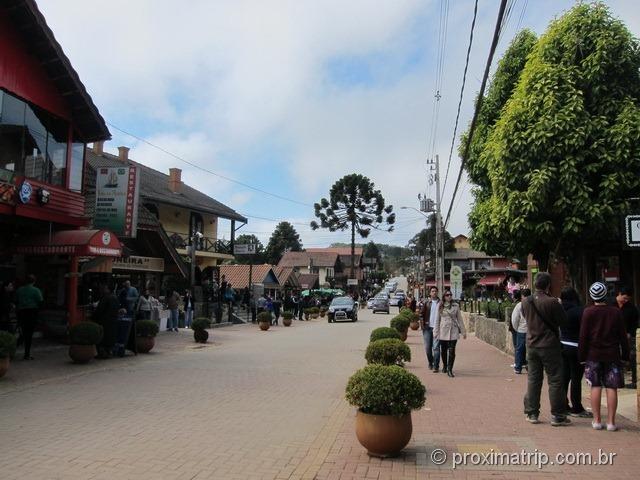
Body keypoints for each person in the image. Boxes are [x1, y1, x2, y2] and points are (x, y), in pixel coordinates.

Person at [579, 282, 630, 431]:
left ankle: (596, 420)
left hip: (593, 354)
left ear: (591, 295)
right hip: (612, 354)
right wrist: (625, 355)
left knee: (595, 386)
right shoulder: (615, 312)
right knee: (611, 387)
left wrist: (582, 356)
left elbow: (583, 337)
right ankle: (611, 422)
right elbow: (623, 336)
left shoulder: (588, 312)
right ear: (605, 294)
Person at [521, 272, 569, 426]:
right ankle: (557, 415)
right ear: (548, 285)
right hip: (549, 346)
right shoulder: (552, 302)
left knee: (534, 379)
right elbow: (563, 321)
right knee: (555, 379)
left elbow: (526, 318)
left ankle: (532, 413)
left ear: (535, 284)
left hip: (532, 345)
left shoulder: (526, 301)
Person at [559, 287, 591, 417]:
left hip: (562, 345)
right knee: (576, 378)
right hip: (576, 346)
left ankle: (563, 405)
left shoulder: (560, 310)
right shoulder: (579, 311)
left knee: (564, 377)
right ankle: (577, 407)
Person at [434, 290, 466, 377]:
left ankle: (449, 369)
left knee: (452, 351)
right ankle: (445, 365)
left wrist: (463, 332)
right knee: (443, 351)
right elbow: (437, 320)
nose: (449, 296)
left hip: (453, 331)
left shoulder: (456, 306)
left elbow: (460, 319)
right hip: (443, 331)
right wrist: (435, 332)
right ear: (444, 296)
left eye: (450, 295)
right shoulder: (440, 306)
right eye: (447, 295)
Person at [614, 286, 638, 389]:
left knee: (631, 357)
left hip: (626, 337)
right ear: (619, 294)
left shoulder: (632, 308)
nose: (625, 300)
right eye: (624, 297)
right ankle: (616, 380)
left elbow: (635, 324)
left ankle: (634, 380)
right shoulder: (610, 305)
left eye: (628, 299)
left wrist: (630, 333)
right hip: (612, 337)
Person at [15, 275, 43, 360]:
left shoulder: (19, 290)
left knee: (22, 331)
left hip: (21, 312)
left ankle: (13, 347)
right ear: (34, 281)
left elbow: (16, 301)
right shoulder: (36, 290)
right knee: (29, 334)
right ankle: (27, 354)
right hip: (32, 312)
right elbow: (40, 301)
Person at [93, 284, 119, 358]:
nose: (103, 289)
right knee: (110, 338)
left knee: (102, 338)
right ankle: (108, 352)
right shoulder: (115, 297)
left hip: (104, 321)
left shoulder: (105, 298)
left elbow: (99, 310)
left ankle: (102, 353)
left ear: (108, 289)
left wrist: (94, 317)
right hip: (113, 321)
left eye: (105, 288)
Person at [420, 286, 442, 372]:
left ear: (437, 292)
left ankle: (436, 366)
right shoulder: (426, 303)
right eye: (432, 291)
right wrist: (423, 325)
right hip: (427, 328)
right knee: (427, 348)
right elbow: (421, 314)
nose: (434, 293)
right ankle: (430, 362)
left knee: (436, 347)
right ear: (430, 293)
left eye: (435, 291)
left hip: (437, 328)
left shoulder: (441, 303)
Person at [511, 289, 531, 374]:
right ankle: (530, 366)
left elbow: (514, 319)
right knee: (532, 349)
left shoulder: (519, 305)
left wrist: (517, 328)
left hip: (521, 330)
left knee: (519, 349)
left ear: (522, 296)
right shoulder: (533, 304)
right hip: (532, 330)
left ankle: (518, 367)